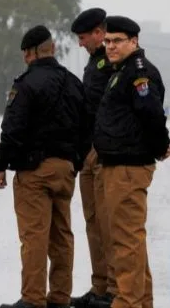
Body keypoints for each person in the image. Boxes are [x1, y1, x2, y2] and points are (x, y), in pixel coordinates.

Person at [0, 26, 89, 308]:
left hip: (34, 171)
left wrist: (1, 165)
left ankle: (33, 298)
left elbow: (13, 129)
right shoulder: (73, 83)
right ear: (53, 48)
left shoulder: (26, 84)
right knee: (62, 236)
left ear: (28, 53)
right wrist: (76, 161)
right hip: (66, 169)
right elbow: (87, 128)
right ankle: (59, 296)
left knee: (34, 236)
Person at [93, 16, 170, 308]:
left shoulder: (138, 73)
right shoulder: (121, 71)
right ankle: (141, 301)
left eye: (117, 41)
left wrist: (161, 145)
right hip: (117, 163)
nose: (110, 47)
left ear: (134, 42)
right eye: (108, 41)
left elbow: (151, 114)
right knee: (129, 240)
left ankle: (127, 301)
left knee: (125, 240)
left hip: (128, 166)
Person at [69, 7, 117, 308]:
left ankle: (114, 289)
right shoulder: (94, 63)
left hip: (104, 152)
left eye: (84, 37)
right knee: (93, 223)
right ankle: (99, 287)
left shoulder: (111, 63)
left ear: (99, 33)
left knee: (109, 224)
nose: (80, 43)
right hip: (89, 153)